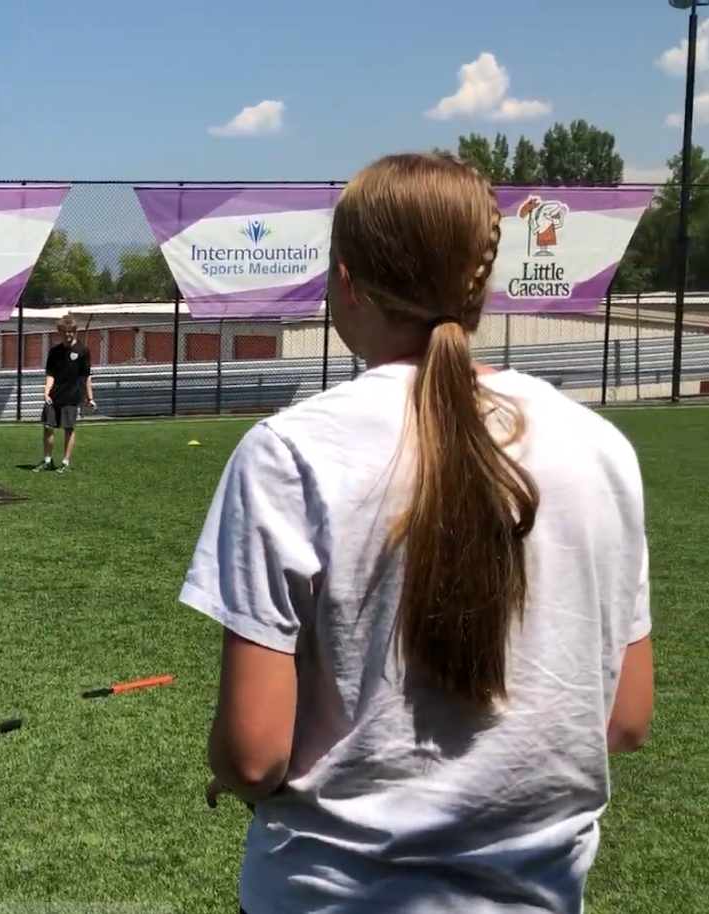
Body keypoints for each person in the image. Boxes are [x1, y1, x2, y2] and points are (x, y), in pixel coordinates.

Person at [179, 152, 654, 914]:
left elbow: (252, 754)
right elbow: (624, 720)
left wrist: (232, 773)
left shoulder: (288, 453)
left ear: (345, 281)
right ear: (480, 281)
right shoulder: (601, 449)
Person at [34, 315, 94, 472]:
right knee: (48, 428)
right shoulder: (55, 352)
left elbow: (86, 376)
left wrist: (90, 398)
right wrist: (46, 391)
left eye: (71, 331)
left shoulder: (83, 351)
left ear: (75, 331)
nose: (68, 334)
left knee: (69, 429)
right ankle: (47, 461)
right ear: (60, 332)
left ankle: (65, 463)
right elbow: (50, 374)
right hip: (55, 396)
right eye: (65, 331)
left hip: (72, 396)